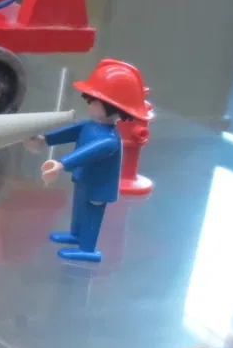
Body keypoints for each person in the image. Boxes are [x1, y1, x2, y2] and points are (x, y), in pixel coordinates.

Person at [33, 59, 152, 262]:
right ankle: (76, 235)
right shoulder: (90, 125)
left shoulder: (109, 140)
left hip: (99, 186)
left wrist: (62, 163)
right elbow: (72, 132)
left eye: (95, 100)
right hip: (84, 178)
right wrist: (46, 140)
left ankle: (87, 248)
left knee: (91, 215)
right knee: (79, 209)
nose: (90, 103)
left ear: (113, 107)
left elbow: (87, 152)